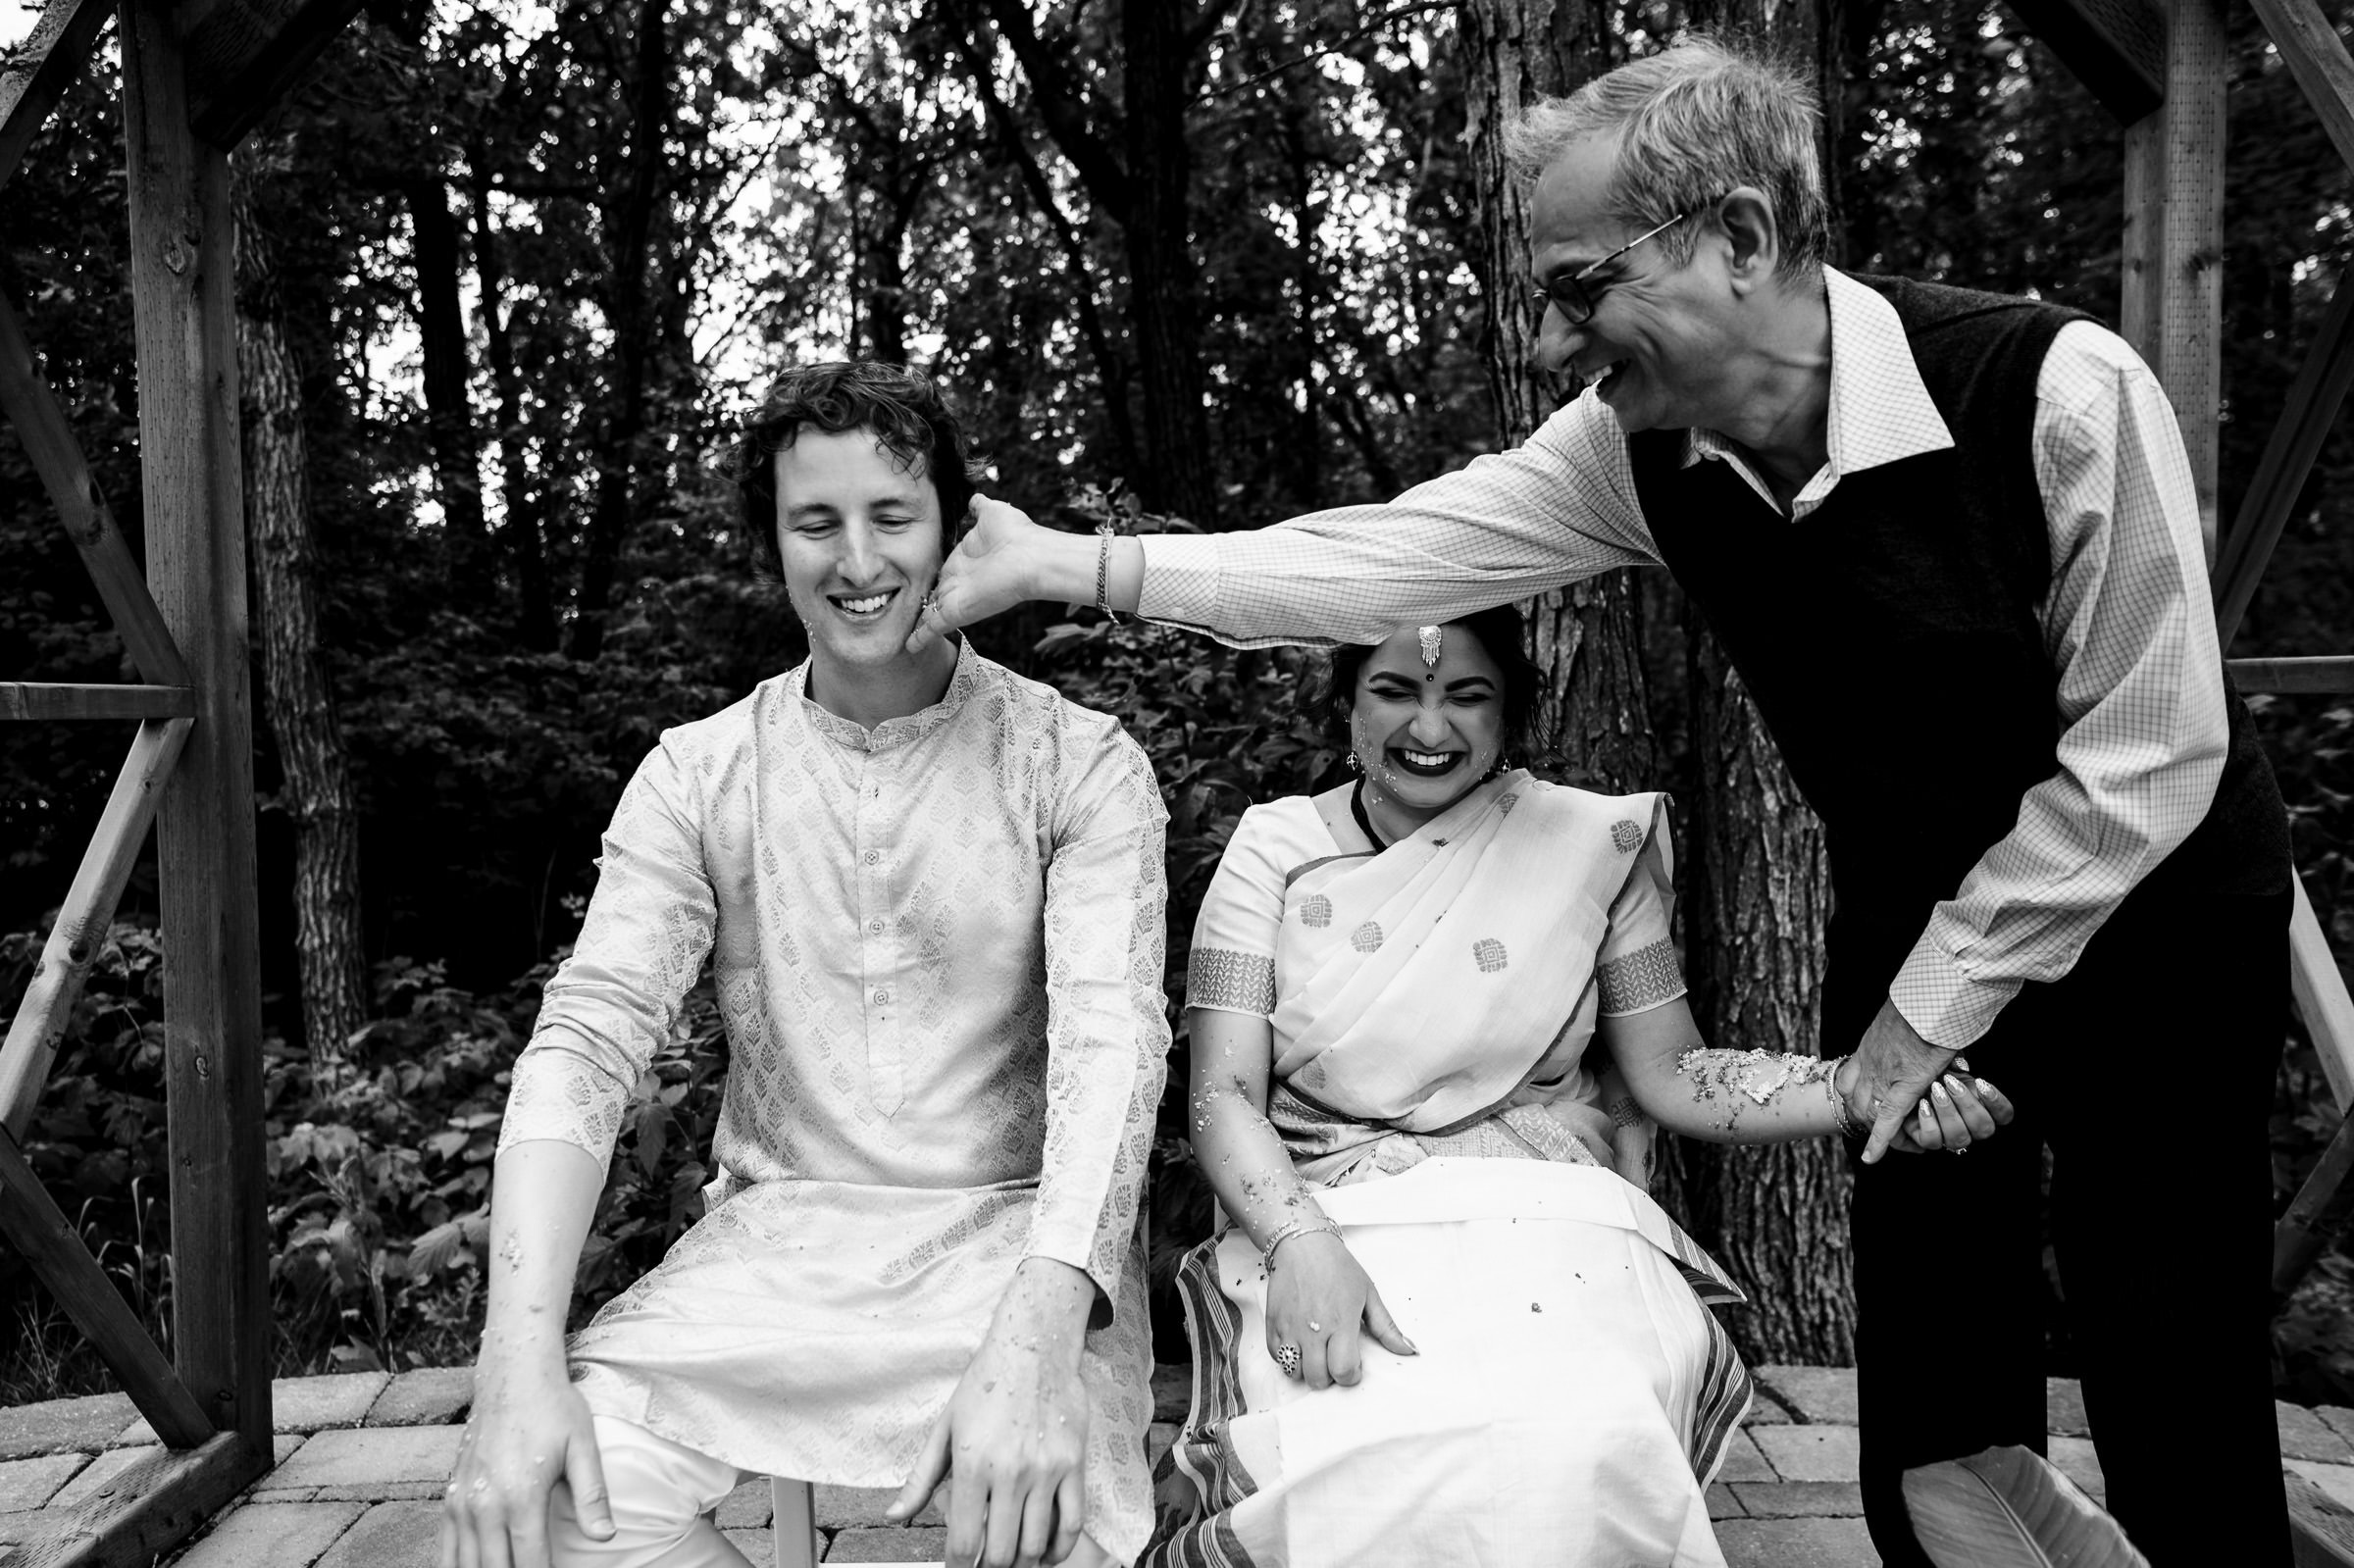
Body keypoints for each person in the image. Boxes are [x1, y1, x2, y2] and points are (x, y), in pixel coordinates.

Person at [910, 38, 2295, 1568]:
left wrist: (1936, 1000)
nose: (1560, 335)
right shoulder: (1633, 458)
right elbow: (1378, 559)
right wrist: (1068, 562)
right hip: (1916, 903)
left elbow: (2152, 754)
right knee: (1941, 1369)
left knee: (2170, 1344)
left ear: (1744, 238)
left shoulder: (2061, 391)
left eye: (1583, 285)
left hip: (2161, 916)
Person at [440, 363, 1170, 1568]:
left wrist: (1043, 1340)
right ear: (771, 541)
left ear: (952, 531)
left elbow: (1113, 1048)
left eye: (893, 517)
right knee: (555, 1505)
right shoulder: (700, 772)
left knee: (1060, 1526)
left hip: (1020, 1245)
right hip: (778, 1244)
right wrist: (513, 1372)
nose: (858, 560)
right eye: (815, 522)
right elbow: (587, 1040)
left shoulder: (1077, 762)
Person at [1145, 607, 2012, 1568]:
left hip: (1548, 1208)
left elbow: (1676, 1073)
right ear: (1345, 701)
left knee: (1580, 1431)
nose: (1429, 730)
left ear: (1510, 713)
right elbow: (1222, 1093)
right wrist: (1301, 1244)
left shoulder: (1590, 846)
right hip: (1328, 1202)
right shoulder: (1273, 849)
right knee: (1367, 1437)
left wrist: (1857, 1090)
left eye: (1466, 697)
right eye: (1395, 691)